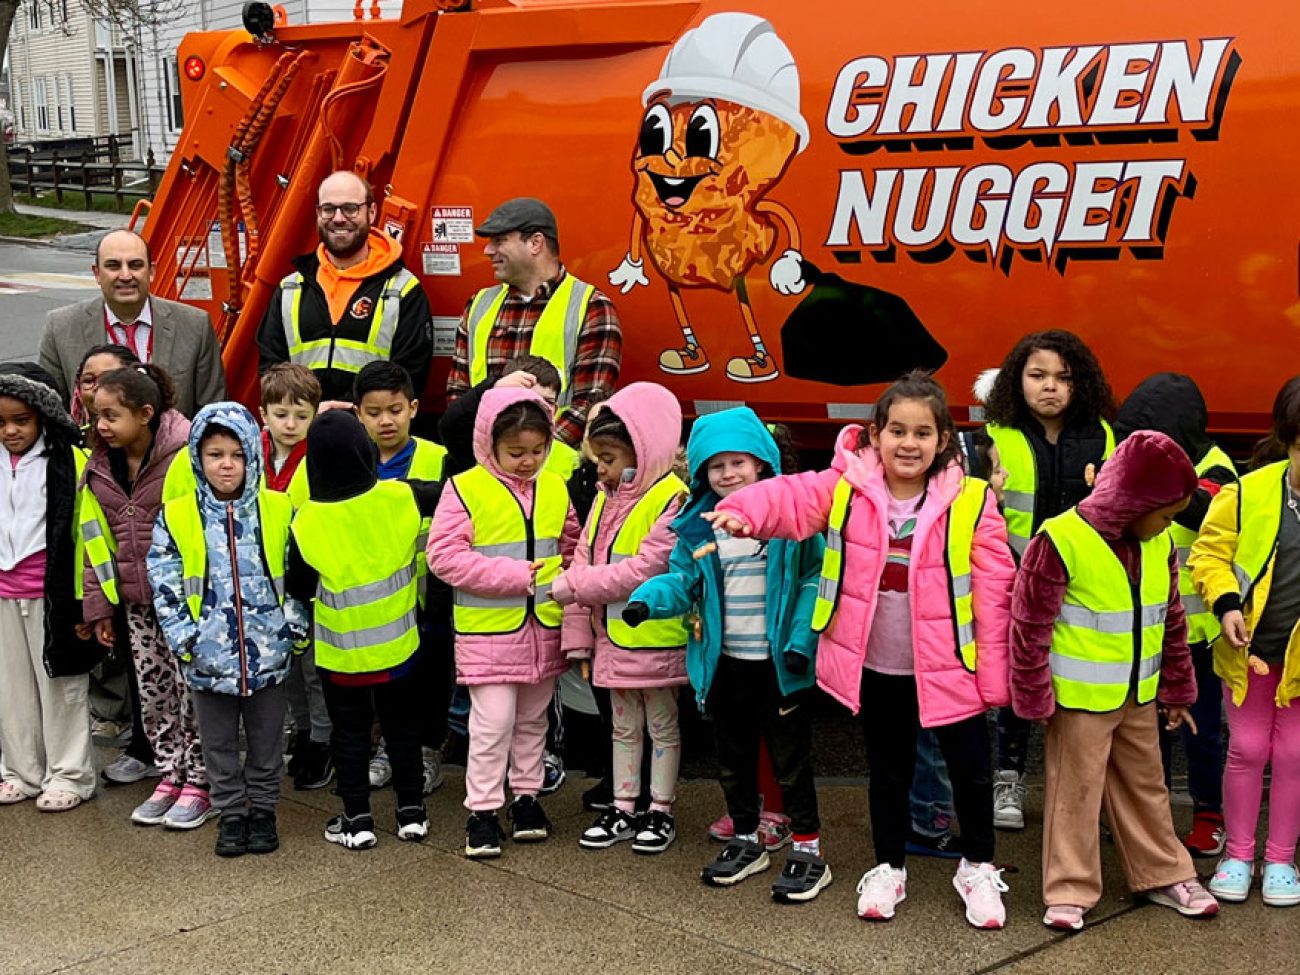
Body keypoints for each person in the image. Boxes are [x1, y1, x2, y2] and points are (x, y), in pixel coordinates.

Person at [708, 373, 1015, 928]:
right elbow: (793, 496)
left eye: (923, 432)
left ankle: (978, 866)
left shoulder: (971, 499)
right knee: (888, 771)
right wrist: (747, 511)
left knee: (971, 773)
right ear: (875, 435)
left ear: (944, 438)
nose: (908, 443)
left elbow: (995, 591)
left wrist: (994, 674)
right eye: (897, 430)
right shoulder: (847, 487)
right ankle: (888, 867)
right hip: (880, 666)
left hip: (952, 667)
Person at [1011, 430, 1218, 930]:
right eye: (1166, 513)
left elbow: (1171, 618)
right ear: (1136, 501)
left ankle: (1164, 873)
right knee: (1074, 794)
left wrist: (1176, 689)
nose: (1170, 524)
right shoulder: (1059, 538)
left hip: (1138, 696)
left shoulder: (1159, 541)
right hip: (1080, 700)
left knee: (1148, 786)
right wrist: (1035, 697)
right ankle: (1068, 891)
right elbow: (1029, 624)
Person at [627, 407, 830, 902]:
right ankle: (745, 838)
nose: (728, 474)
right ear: (701, 475)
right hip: (723, 665)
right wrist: (648, 600)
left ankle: (808, 847)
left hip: (781, 663)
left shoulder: (790, 523)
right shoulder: (700, 529)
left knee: (791, 760)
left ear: (762, 463)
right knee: (733, 758)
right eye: (715, 467)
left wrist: (800, 642)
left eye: (738, 462)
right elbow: (683, 581)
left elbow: (813, 581)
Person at [148, 403, 309, 857]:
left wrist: (291, 628)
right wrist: (185, 638)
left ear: (252, 458)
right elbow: (164, 579)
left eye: (237, 455)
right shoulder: (177, 514)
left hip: (269, 650)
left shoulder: (278, 509)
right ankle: (230, 813)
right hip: (206, 655)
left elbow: (297, 572)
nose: (226, 464)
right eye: (215, 454)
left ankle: (263, 811)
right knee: (217, 743)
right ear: (198, 458)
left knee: (267, 740)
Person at [427, 387, 580, 859]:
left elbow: (571, 542)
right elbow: (443, 557)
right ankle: (483, 811)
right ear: (487, 445)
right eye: (516, 452)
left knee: (533, 721)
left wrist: (573, 586)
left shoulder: (555, 486)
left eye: (538, 450)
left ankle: (528, 799)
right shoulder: (465, 488)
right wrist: (513, 578)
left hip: (544, 627)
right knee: (492, 723)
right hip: (489, 632)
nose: (528, 461)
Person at [287, 410, 442, 850]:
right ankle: (412, 814)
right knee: (402, 731)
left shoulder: (306, 521)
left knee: (350, 736)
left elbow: (299, 586)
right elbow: (454, 498)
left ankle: (357, 821)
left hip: (341, 657)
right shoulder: (401, 497)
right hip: (400, 649)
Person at [983, 330, 1116, 831]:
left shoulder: (1102, 435)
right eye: (1037, 376)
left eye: (1063, 378)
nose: (1050, 388)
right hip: (1016, 577)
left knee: (1079, 687)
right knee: (1022, 683)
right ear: (1016, 381)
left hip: (1080, 583)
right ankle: (1009, 776)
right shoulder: (996, 437)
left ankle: (1084, 786)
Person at [550, 383, 688, 854]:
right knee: (624, 726)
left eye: (608, 458)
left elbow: (645, 568)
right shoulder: (609, 496)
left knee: (662, 725)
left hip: (655, 638)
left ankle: (660, 808)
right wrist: (577, 635)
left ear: (643, 446)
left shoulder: (673, 497)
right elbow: (584, 555)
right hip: (612, 637)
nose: (601, 470)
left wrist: (575, 588)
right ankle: (624, 805)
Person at [79, 364, 211, 828]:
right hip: (136, 604)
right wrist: (99, 609)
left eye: (112, 415)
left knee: (191, 691)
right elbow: (95, 541)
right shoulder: (100, 465)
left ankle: (201, 779)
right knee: (154, 693)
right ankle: (170, 772)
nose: (102, 426)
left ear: (146, 413)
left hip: (186, 604)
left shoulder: (186, 455)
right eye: (97, 415)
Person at [1116, 372, 1237, 858]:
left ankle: (1210, 813)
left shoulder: (1217, 468)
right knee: (1149, 735)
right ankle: (1154, 817)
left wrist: (1146, 479)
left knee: (1203, 731)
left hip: (1200, 635)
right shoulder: (1134, 461)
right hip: (1148, 630)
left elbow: (1201, 511)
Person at [1191, 376, 1300, 907]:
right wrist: (1227, 604)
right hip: (1249, 653)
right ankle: (1238, 853)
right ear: (1289, 439)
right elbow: (1207, 556)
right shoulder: (1247, 491)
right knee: (1248, 747)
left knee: (1296, 752)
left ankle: (1280, 859)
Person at [0, 365, 101, 812]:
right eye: (1, 422)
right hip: (4, 591)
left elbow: (88, 534)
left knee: (61, 685)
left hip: (53, 594)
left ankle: (70, 773)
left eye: (21, 420)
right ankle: (19, 769)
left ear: (41, 415)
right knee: (11, 687)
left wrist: (87, 601)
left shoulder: (69, 461)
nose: (10, 431)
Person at [446, 197, 623, 453]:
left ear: (535, 243)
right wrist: (491, 457)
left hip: (553, 476)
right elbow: (458, 396)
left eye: (499, 240)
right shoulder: (478, 305)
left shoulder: (591, 307)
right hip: (482, 466)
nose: (487, 250)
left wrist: (529, 455)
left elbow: (589, 404)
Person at [257, 171, 434, 408]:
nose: (338, 218)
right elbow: (271, 372)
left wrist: (347, 413)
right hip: (304, 434)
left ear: (372, 213)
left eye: (350, 208)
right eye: (328, 209)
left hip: (372, 438)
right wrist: (307, 416)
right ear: (318, 213)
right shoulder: (290, 289)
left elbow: (409, 376)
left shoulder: (403, 290)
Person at [352, 360, 449, 796]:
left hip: (427, 593)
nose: (385, 420)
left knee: (429, 677)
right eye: (373, 412)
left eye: (394, 409)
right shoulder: (352, 459)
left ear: (412, 407)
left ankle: (427, 751)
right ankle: (388, 749)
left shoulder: (437, 457)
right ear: (358, 414)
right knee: (382, 683)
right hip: (371, 595)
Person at [40, 229, 226, 418]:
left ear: (151, 271)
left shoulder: (196, 326)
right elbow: (51, 414)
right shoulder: (60, 328)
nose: (126, 275)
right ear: (97, 273)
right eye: (113, 266)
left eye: (135, 265)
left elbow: (212, 413)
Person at [255, 364, 333, 792]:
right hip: (264, 577)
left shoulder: (320, 453)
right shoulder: (251, 451)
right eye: (280, 413)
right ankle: (301, 730)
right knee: (283, 665)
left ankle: (321, 739)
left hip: (308, 579)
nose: (290, 424)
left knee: (312, 667)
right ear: (262, 412)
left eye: (301, 415)